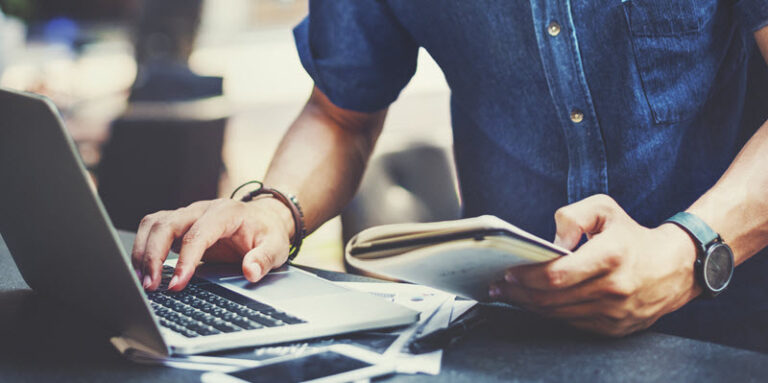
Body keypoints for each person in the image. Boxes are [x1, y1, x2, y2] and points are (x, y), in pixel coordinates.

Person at [132, 1, 768, 350]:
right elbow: (341, 113)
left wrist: (690, 252)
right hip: (513, 344)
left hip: (737, 340)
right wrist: (272, 209)